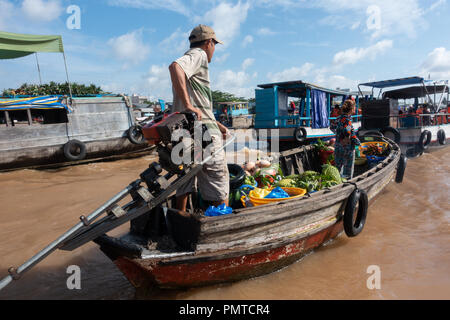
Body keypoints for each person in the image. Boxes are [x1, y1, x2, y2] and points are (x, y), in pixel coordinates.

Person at [168, 24, 230, 212]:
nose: (213, 51)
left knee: (184, 179)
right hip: (201, 133)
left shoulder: (192, 67)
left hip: (184, 131)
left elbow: (200, 108)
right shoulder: (199, 55)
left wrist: (219, 125)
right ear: (209, 43)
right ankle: (220, 223)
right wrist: (188, 105)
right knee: (218, 179)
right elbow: (174, 66)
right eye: (214, 46)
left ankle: (180, 219)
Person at [334, 99, 360, 180]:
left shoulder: (338, 118)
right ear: (352, 109)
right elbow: (348, 133)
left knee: (337, 168)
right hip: (347, 148)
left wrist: (339, 136)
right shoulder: (348, 120)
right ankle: (347, 185)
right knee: (347, 171)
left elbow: (332, 127)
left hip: (338, 146)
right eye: (355, 107)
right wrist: (358, 142)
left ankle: (336, 183)